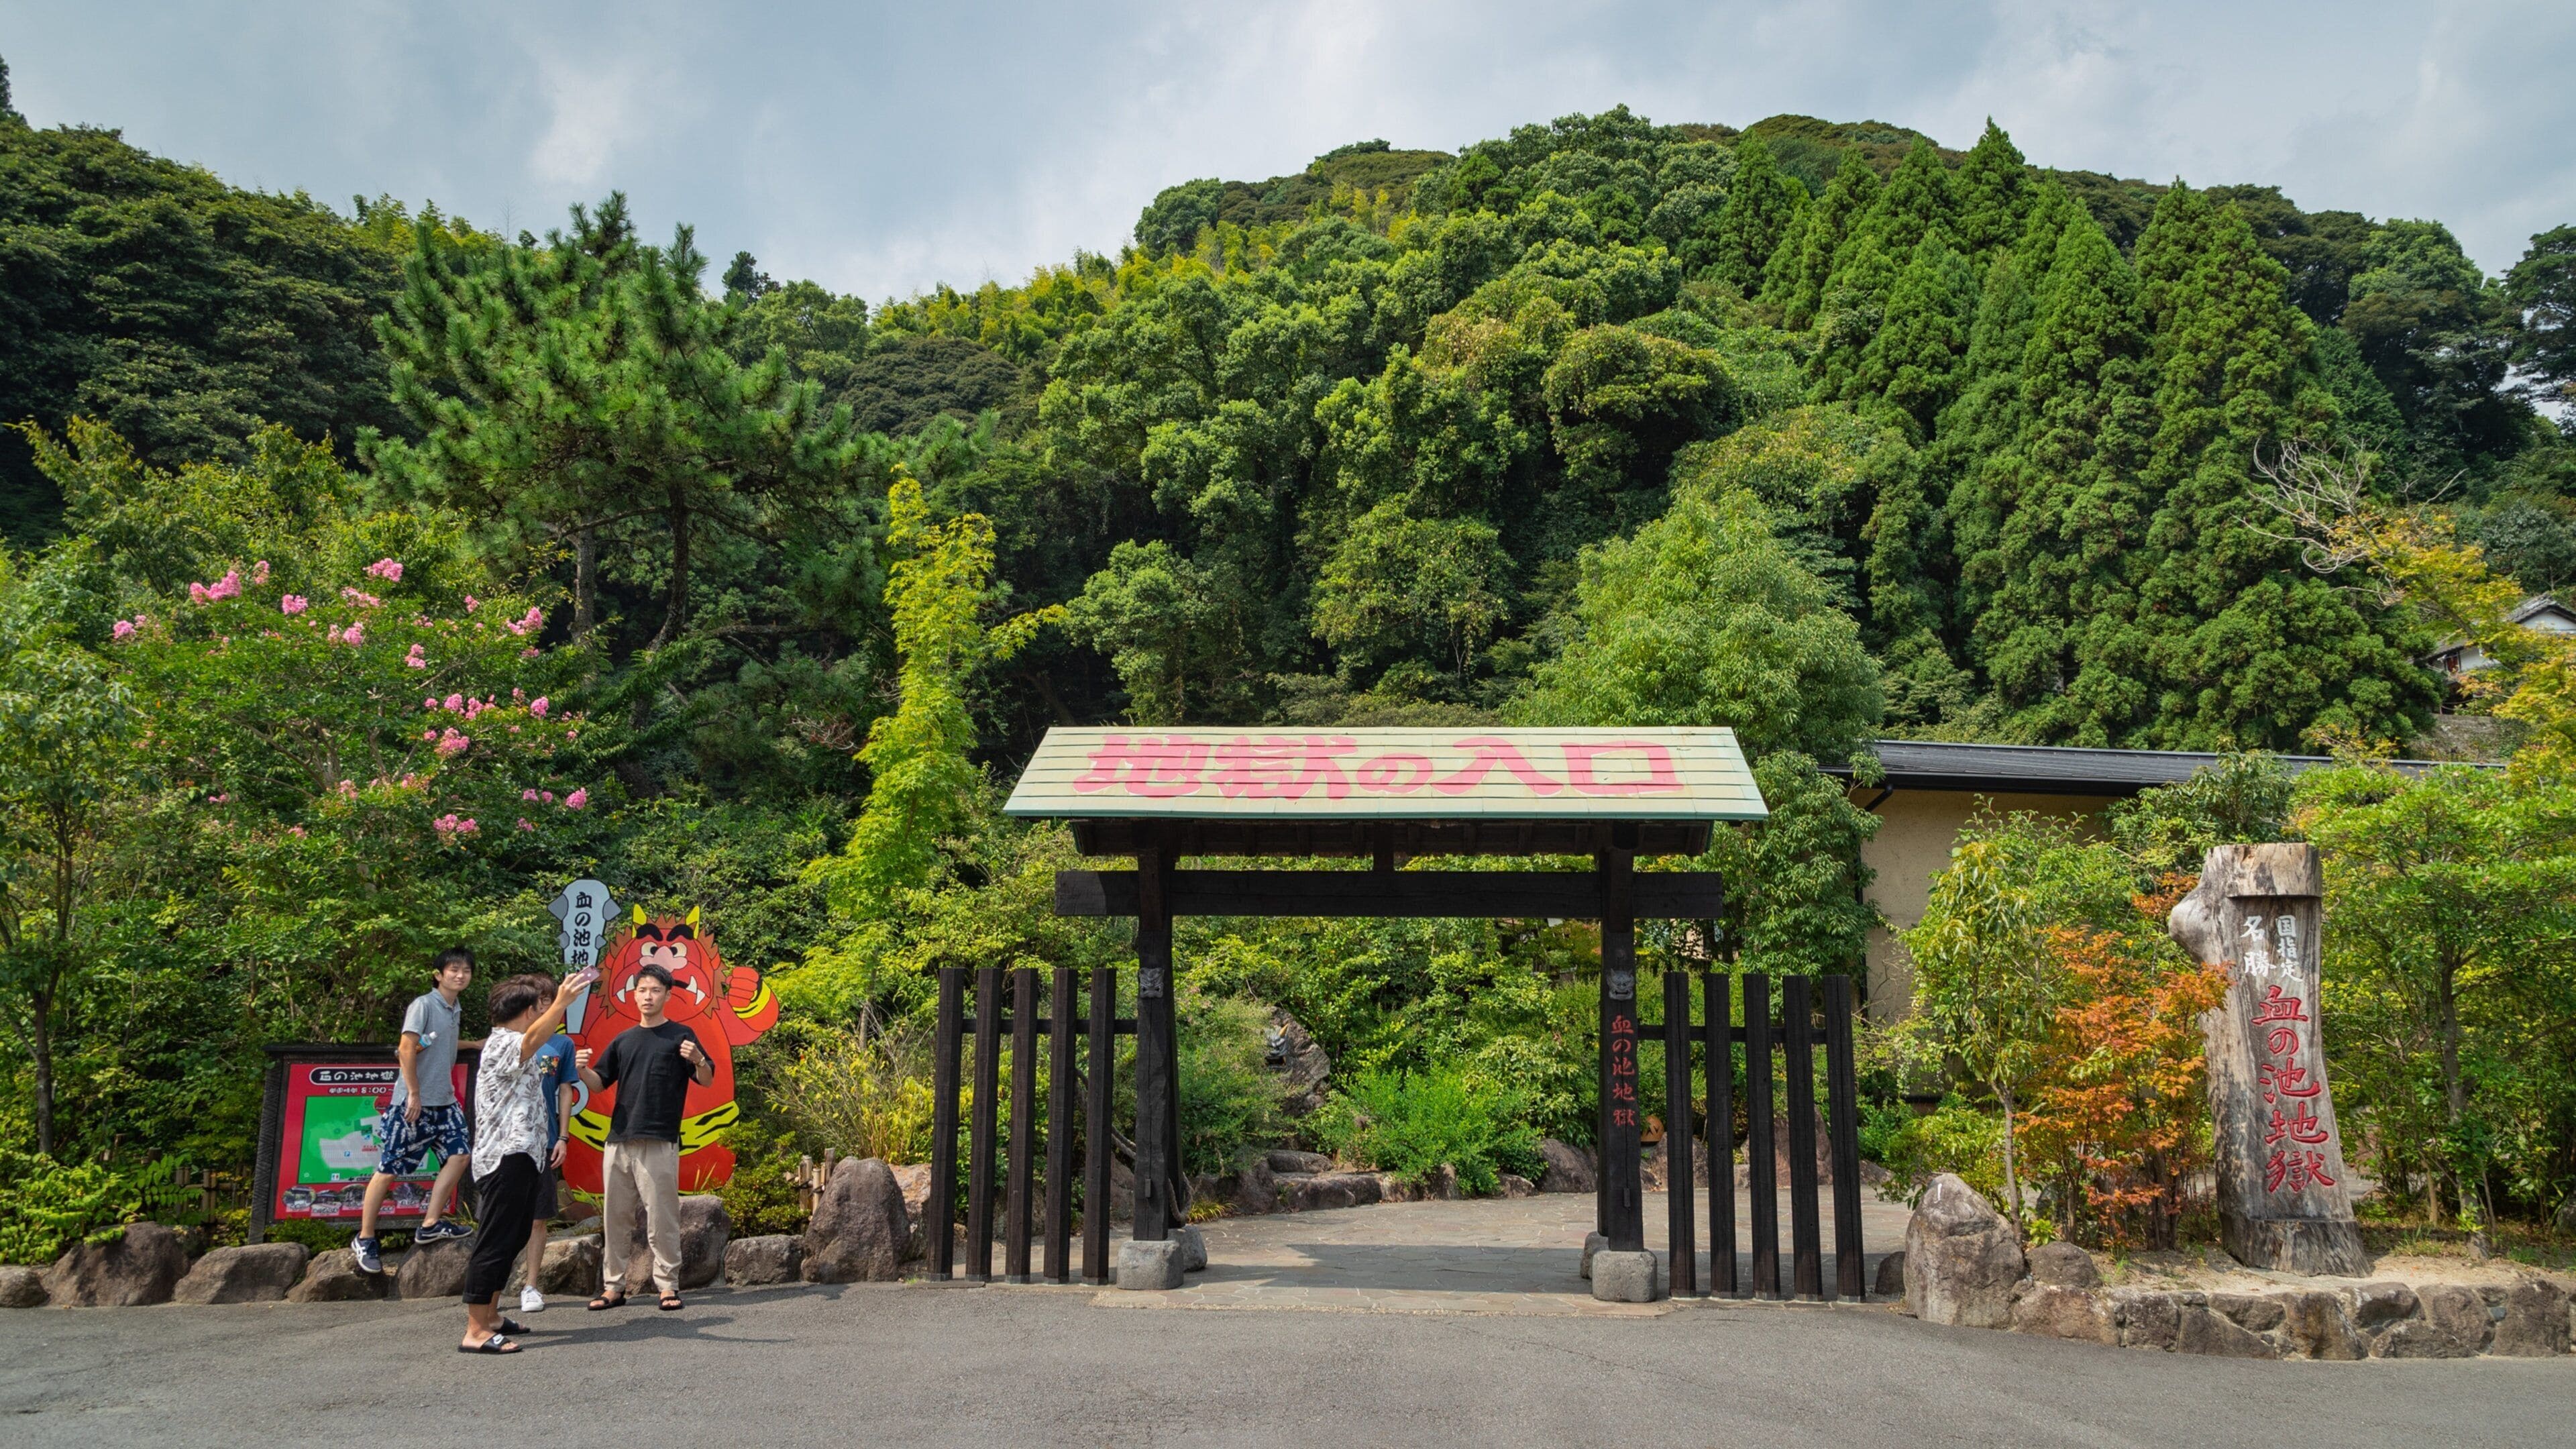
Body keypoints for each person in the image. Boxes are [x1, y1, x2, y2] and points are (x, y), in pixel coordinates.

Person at [458, 965, 596, 1353]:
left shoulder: (516, 1040)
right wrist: (565, 1002)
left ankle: (491, 1316)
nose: (545, 1011)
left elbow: (537, 1043)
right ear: (528, 1011)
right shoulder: (503, 1042)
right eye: (541, 1007)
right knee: (495, 1239)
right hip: (505, 1157)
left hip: (525, 1156)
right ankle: (475, 1330)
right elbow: (534, 1039)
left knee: (514, 1234)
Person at [577, 963, 711, 1312]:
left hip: (660, 1140)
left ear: (668, 995)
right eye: (642, 990)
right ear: (634, 995)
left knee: (662, 1217)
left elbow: (707, 1079)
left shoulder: (682, 1036)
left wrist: (698, 1060)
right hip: (619, 1140)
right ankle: (613, 1287)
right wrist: (581, 1071)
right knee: (615, 1217)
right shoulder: (623, 1040)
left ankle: (668, 1286)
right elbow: (598, 1083)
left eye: (655, 990)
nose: (647, 996)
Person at [354, 949, 478, 1275]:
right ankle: (365, 1237)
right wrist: (413, 1093)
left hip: (445, 1102)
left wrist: (475, 1045)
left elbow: (439, 1043)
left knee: (461, 1155)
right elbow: (407, 1047)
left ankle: (431, 1223)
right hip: (412, 1103)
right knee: (389, 1167)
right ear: (438, 974)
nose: (460, 975)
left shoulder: (454, 1008)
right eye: (454, 970)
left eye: (466, 971)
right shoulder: (424, 1004)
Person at [513, 1011, 583, 1313]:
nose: (540, 1009)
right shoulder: (509, 1040)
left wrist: (563, 1137)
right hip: (509, 1143)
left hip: (545, 1139)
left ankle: (531, 1286)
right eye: (535, 1002)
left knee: (538, 1217)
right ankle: (490, 1287)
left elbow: (566, 1089)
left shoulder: (561, 1044)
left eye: (547, 1001)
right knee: (504, 1217)